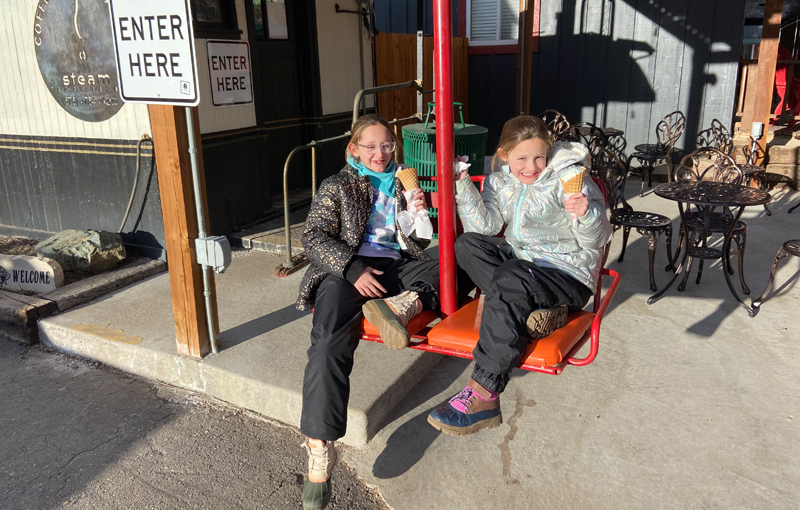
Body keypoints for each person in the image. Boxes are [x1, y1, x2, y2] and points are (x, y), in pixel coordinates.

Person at [427, 115, 613, 436]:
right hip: (523, 269)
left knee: (512, 275)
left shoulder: (570, 178)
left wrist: (587, 214)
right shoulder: (501, 182)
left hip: (566, 273)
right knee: (467, 245)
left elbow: (597, 239)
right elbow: (482, 228)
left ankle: (485, 391)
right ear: (504, 155)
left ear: (549, 152)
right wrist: (461, 184)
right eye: (522, 158)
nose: (531, 166)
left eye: (539, 156)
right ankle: (533, 311)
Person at [296, 114, 440, 510]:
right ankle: (318, 448)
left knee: (449, 269)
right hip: (347, 267)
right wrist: (353, 269)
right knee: (327, 342)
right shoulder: (338, 184)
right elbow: (312, 236)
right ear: (354, 149)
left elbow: (420, 241)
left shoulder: (402, 180)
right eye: (372, 146)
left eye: (387, 146)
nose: (381, 153)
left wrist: (419, 213)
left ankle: (399, 306)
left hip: (398, 265)